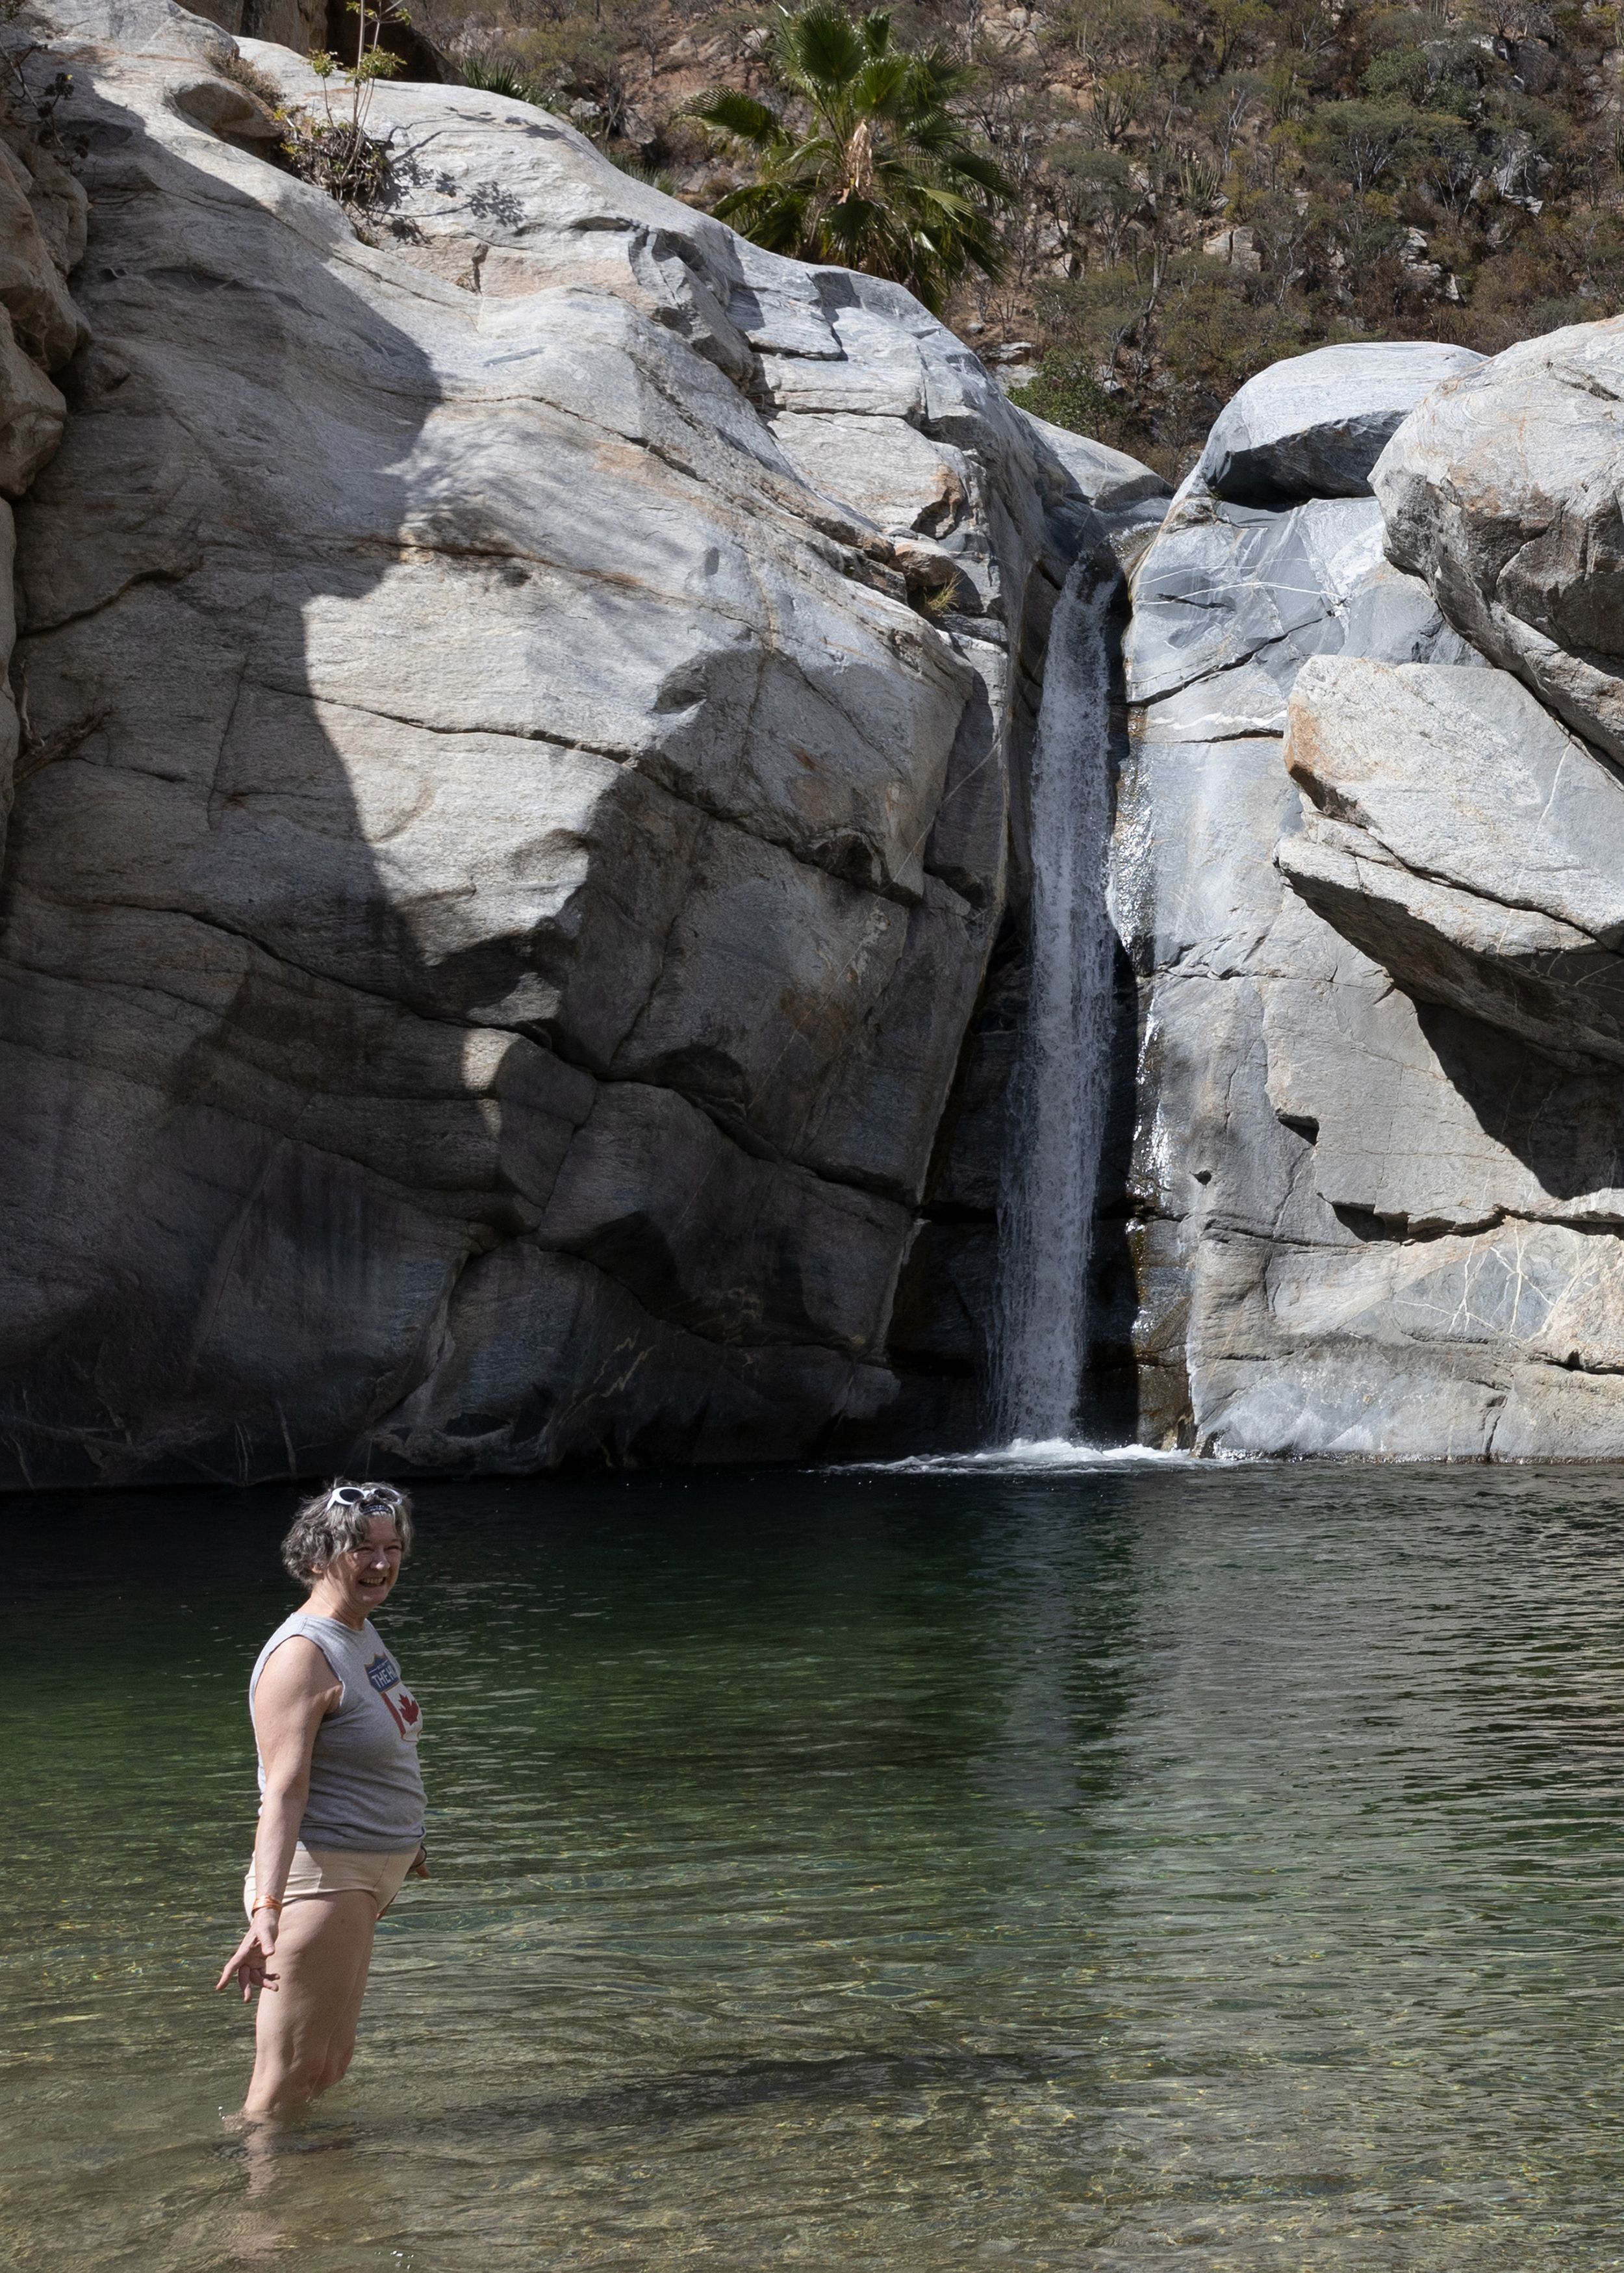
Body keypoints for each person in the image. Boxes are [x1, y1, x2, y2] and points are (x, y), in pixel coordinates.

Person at [216, 1480, 428, 2120]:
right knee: (283, 2082)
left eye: (392, 1548)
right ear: (316, 1558)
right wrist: (267, 1908)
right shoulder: (303, 1654)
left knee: (329, 2065)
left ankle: (318, 2207)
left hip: (363, 1872)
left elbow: (378, 1753)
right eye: (362, 1548)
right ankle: (260, 2212)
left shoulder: (357, 1633)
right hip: (322, 1878)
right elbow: (282, 1791)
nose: (381, 1563)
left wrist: (405, 1838)